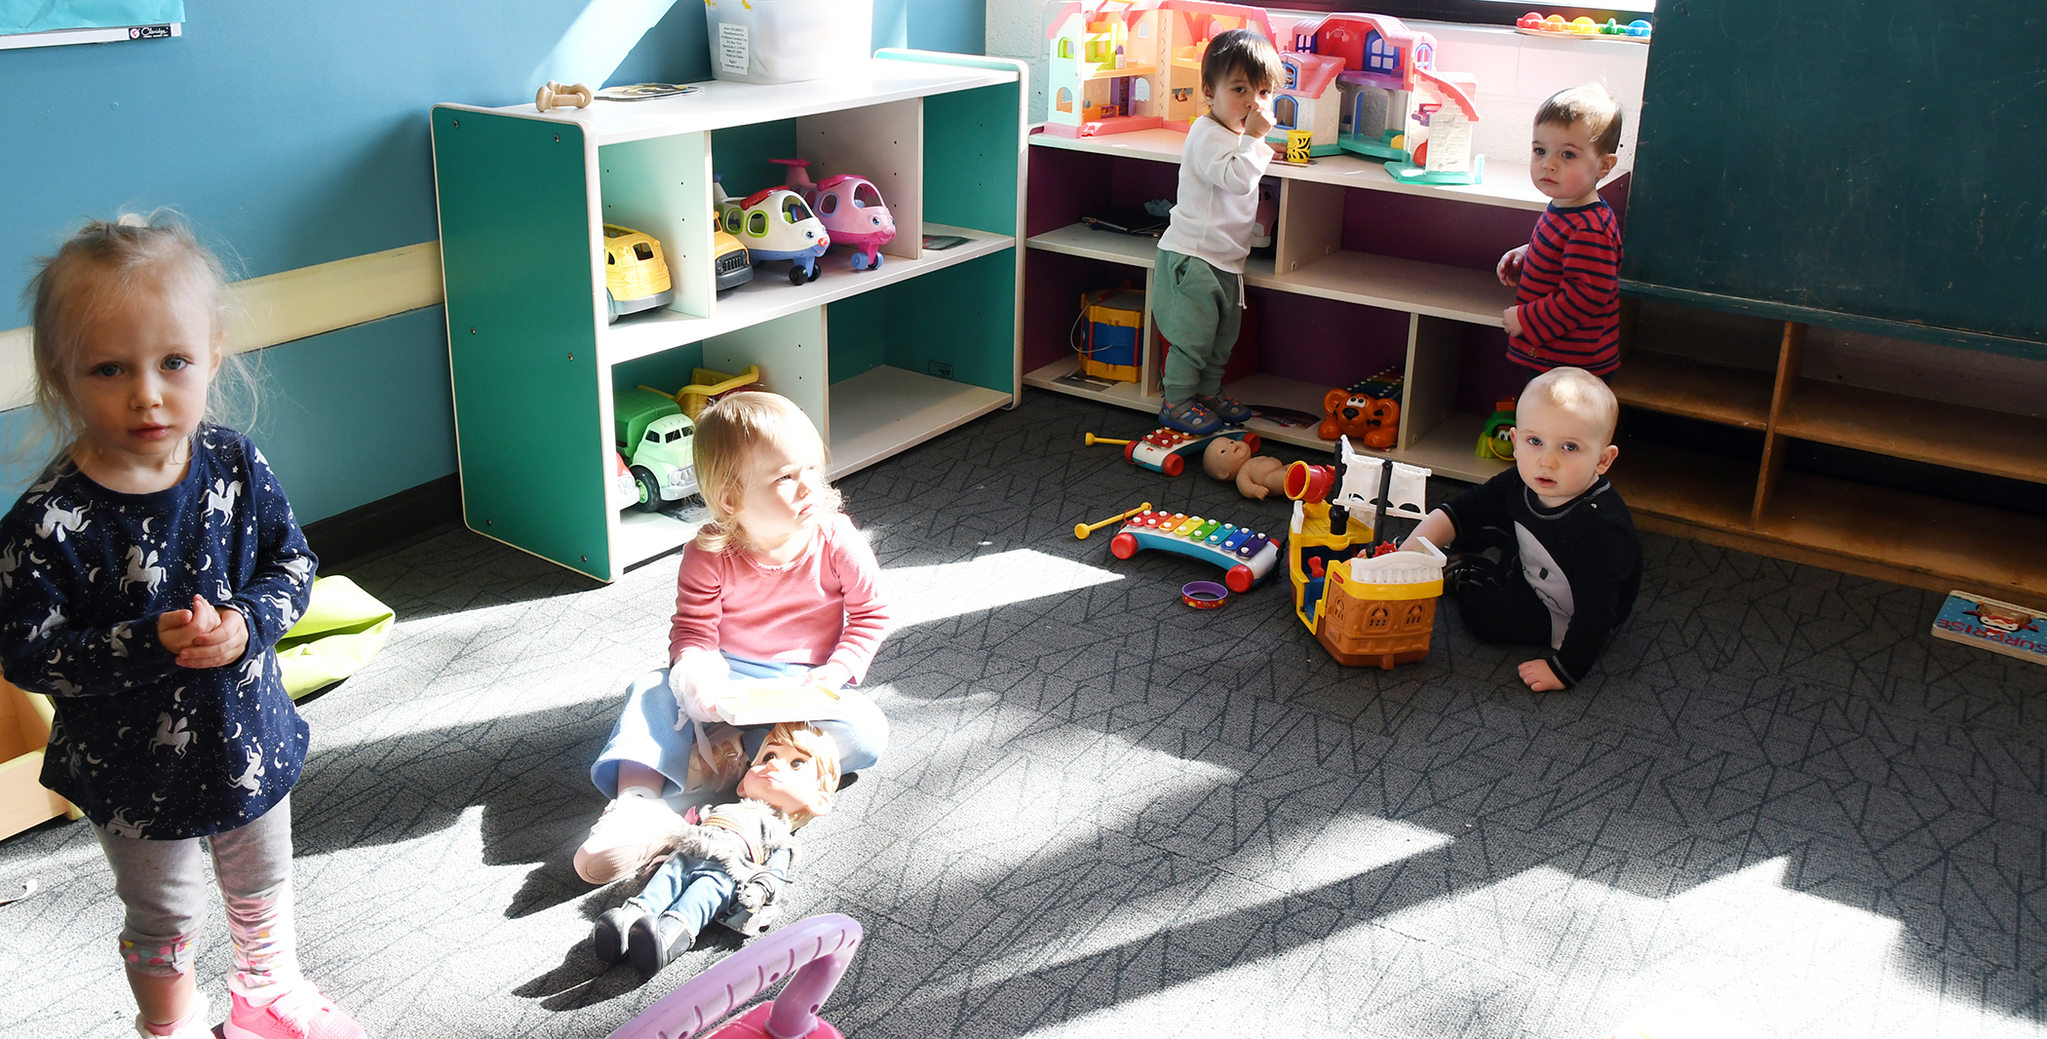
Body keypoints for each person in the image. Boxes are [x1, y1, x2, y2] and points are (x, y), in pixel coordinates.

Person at [0, 215, 364, 1039]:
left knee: (262, 878)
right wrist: (140, 641)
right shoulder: (49, 521)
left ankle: (266, 992)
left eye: (172, 362)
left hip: (246, 737)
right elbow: (26, 650)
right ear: (60, 374)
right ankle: (167, 1022)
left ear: (212, 353)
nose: (147, 393)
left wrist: (246, 623)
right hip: (132, 768)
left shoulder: (235, 462)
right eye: (109, 368)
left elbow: (292, 563)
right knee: (164, 911)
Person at [574, 391, 890, 887]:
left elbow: (870, 614)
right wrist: (699, 678)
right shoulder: (707, 553)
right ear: (731, 498)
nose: (809, 487)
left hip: (805, 689)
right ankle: (638, 807)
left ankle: (733, 771)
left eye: (812, 469)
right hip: (732, 683)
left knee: (868, 731)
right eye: (786, 477)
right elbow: (693, 632)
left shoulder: (836, 539)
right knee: (650, 691)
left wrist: (836, 672)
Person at [1402, 367, 1640, 692]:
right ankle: (1459, 561)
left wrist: (1564, 670)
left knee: (1485, 617)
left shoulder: (1601, 529)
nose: (1547, 461)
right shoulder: (1521, 479)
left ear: (1603, 461)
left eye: (1569, 447)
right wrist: (1406, 554)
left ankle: (1466, 575)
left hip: (1567, 609)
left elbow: (1596, 614)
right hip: (1535, 562)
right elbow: (1462, 510)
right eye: (1535, 441)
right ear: (1515, 442)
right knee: (1480, 520)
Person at [593, 722, 839, 974]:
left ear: (818, 800)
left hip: (727, 870)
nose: (774, 765)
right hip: (690, 851)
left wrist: (759, 890)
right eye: (768, 757)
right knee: (665, 881)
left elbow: (775, 874)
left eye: (796, 763)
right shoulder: (727, 807)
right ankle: (626, 923)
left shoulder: (780, 835)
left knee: (701, 897)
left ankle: (666, 939)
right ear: (743, 783)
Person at [1150, 28, 1284, 435]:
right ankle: (1176, 400)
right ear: (1209, 91)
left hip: (1226, 259)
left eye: (1263, 93)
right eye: (1240, 89)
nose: (1252, 102)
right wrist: (1258, 140)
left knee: (1221, 339)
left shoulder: (1239, 137)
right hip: (1193, 257)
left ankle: (1207, 393)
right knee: (1192, 341)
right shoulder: (1207, 133)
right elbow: (1236, 180)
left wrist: (1255, 143)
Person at [1497, 84, 1626, 379]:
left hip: (1571, 367)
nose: (1548, 164)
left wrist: (1526, 319)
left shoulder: (1589, 229)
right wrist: (1529, 253)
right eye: (1539, 150)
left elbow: (1586, 295)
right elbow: (1563, 252)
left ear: (1604, 166)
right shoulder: (1567, 208)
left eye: (1568, 155)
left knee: (1555, 426)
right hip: (1554, 356)